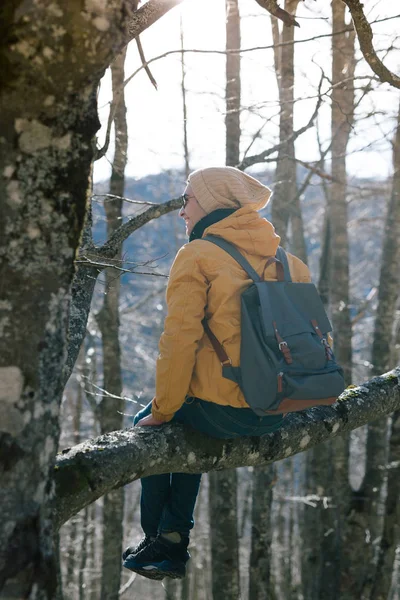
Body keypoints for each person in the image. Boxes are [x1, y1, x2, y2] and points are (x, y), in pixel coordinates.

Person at [122, 167, 311, 580]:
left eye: (187, 199)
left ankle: (162, 541)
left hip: (228, 410)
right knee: (192, 421)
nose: (181, 211)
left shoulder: (198, 255)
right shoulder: (289, 261)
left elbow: (179, 342)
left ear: (209, 203)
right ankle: (171, 538)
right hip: (280, 407)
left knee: (149, 425)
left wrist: (163, 409)